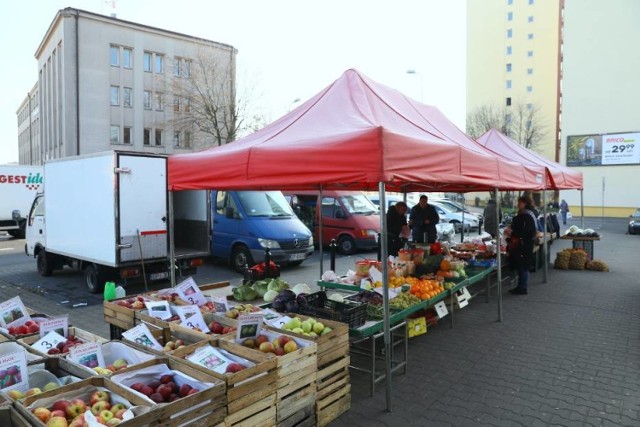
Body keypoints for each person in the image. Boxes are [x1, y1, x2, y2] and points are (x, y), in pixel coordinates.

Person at [508, 196, 537, 295]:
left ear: (525, 203)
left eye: (520, 203)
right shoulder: (531, 214)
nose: (518, 204)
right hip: (527, 244)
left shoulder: (525, 216)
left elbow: (523, 231)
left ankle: (522, 288)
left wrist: (511, 232)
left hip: (523, 245)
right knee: (524, 266)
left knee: (523, 266)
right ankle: (521, 286)